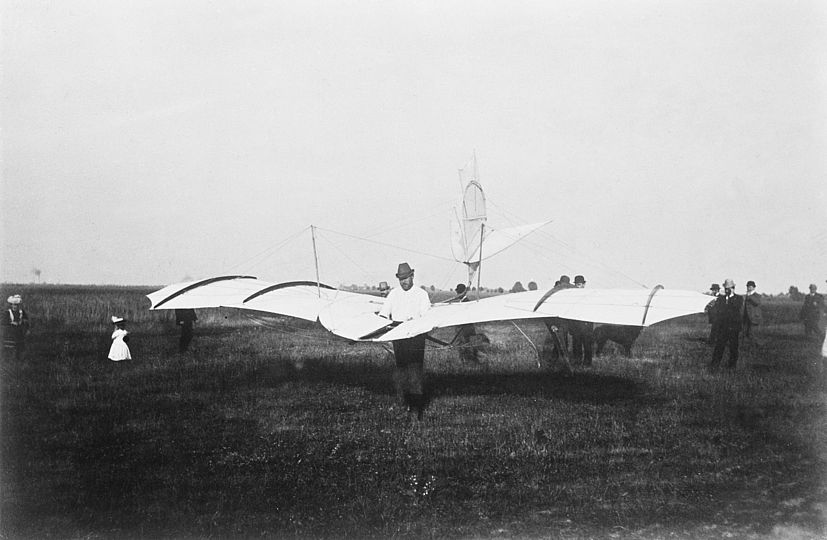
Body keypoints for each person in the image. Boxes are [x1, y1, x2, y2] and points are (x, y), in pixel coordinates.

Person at [378, 262, 431, 419]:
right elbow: (383, 314)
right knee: (401, 372)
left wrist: (414, 322)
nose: (404, 282)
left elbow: (426, 316)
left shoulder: (421, 294)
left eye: (406, 278)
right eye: (401, 279)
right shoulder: (393, 294)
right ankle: (405, 404)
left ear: (412, 276)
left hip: (416, 337)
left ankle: (417, 409)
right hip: (398, 338)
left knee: (415, 372)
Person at [708, 279, 743, 370]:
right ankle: (714, 365)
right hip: (723, 327)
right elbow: (718, 310)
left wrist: (728, 298)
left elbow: (735, 307)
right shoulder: (721, 299)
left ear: (733, 288)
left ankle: (732, 366)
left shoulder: (738, 298)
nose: (726, 290)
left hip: (733, 328)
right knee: (719, 346)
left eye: (728, 288)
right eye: (725, 288)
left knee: (733, 348)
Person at [569, 275, 594, 366]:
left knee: (587, 346)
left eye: (579, 284)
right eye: (576, 285)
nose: (577, 287)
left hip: (586, 326)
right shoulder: (572, 296)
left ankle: (587, 364)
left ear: (583, 285)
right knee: (576, 346)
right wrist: (571, 328)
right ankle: (577, 363)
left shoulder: (589, 296)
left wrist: (590, 327)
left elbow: (592, 312)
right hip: (576, 326)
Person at [2, 294, 30, 360]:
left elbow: (26, 320)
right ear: (11, 305)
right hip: (10, 332)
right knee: (10, 346)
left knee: (20, 345)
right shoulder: (8, 312)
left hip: (20, 331)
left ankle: (19, 357)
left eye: (16, 305)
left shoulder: (21, 312)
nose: (14, 306)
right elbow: (3, 322)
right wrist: (11, 322)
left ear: (18, 305)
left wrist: (23, 322)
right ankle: (9, 358)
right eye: (13, 305)